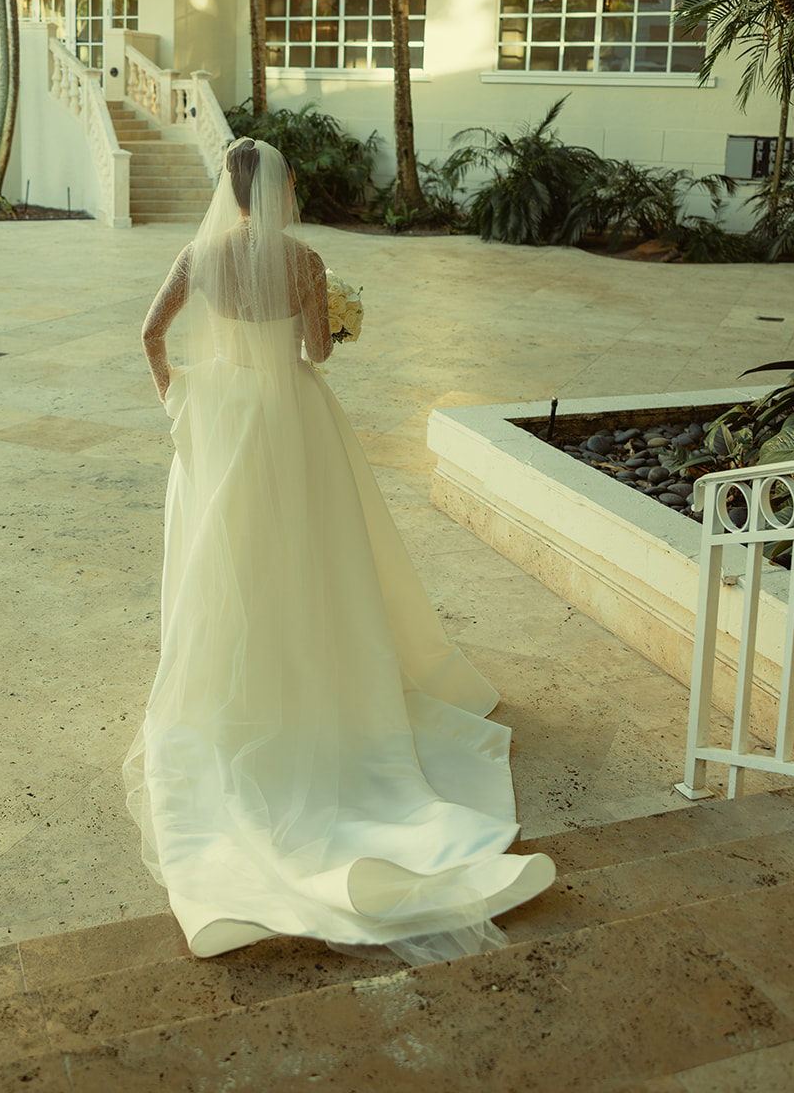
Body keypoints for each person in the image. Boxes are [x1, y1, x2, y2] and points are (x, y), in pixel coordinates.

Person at [132, 135, 555, 963]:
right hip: (295, 418)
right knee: (320, 551)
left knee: (231, 560)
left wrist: (182, 399)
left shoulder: (197, 254)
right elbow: (316, 354)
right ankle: (326, 665)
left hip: (224, 426)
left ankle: (238, 679)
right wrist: (334, 324)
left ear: (230, 188)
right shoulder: (305, 259)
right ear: (282, 188)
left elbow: (150, 334)